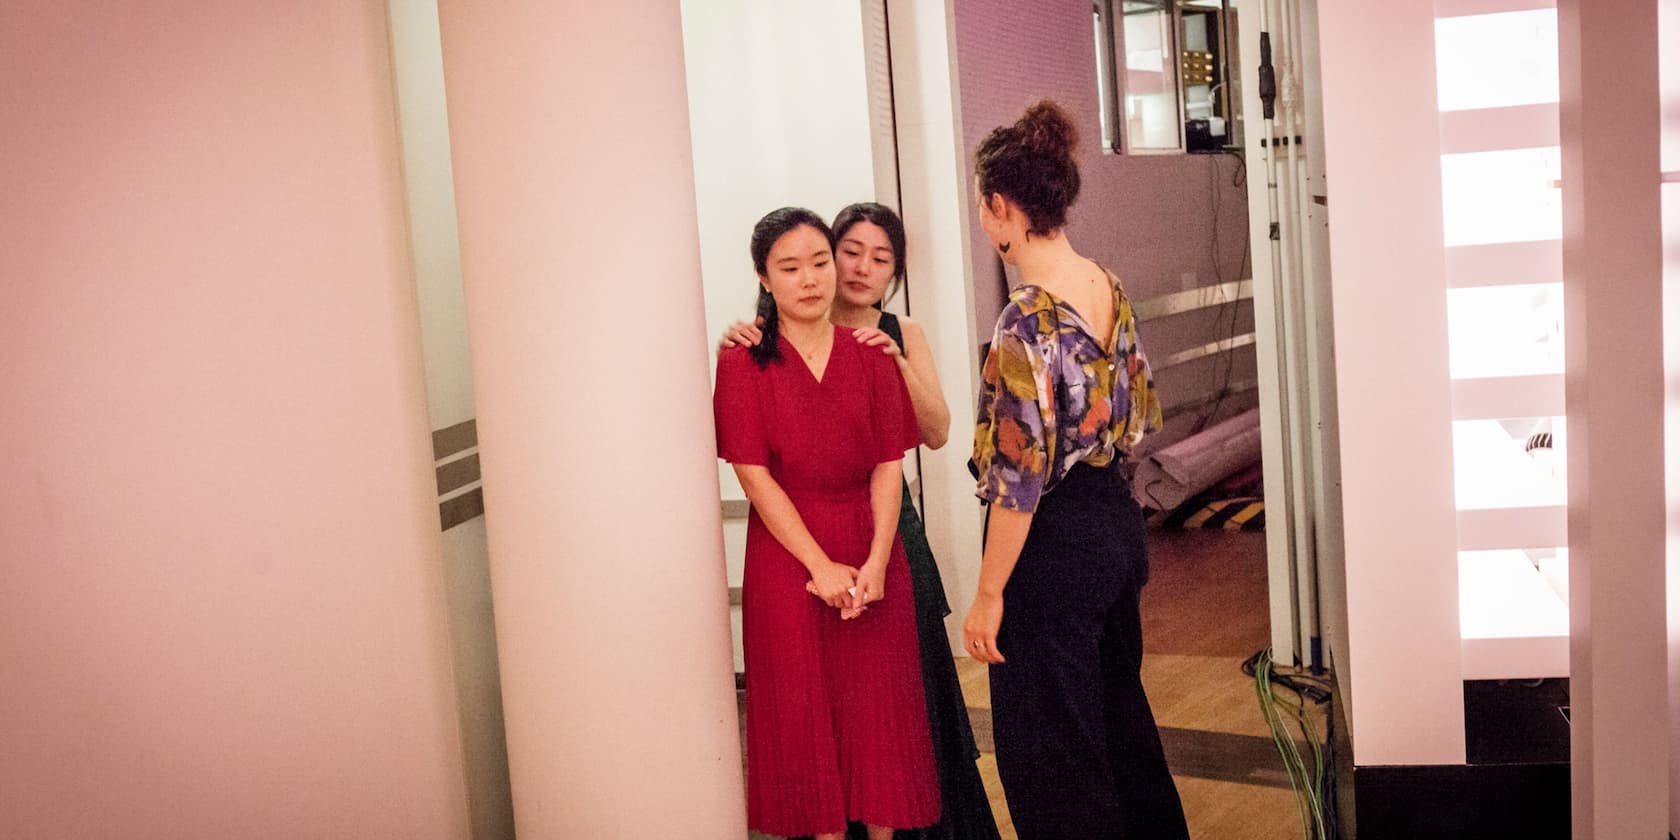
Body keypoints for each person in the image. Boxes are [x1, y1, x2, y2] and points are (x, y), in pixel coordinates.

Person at [722, 203, 1001, 840]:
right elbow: (752, 469)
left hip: (881, 534)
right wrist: (819, 565)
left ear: (895, 270)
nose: (841, 271)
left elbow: (918, 444)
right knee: (807, 718)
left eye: (879, 258)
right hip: (795, 550)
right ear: (768, 276)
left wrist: (875, 559)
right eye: (844, 252)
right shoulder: (746, 353)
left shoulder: (887, 342)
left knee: (893, 714)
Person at [961, 101, 1190, 839]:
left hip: (1052, 548)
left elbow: (1019, 482)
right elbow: (1138, 415)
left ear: (1002, 207)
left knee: (1052, 754)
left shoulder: (1024, 321)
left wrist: (988, 593)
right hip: (1114, 529)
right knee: (1121, 723)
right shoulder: (1105, 285)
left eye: (982, 209)